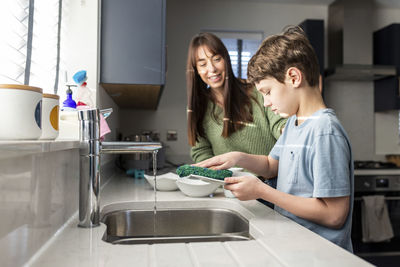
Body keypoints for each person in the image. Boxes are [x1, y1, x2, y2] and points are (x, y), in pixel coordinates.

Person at [194, 26, 354, 252]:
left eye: (268, 92)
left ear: (293, 77)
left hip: (320, 254)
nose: (266, 102)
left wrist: (262, 191)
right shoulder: (294, 123)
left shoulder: (324, 131)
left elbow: (334, 215)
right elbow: (271, 166)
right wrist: (237, 157)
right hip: (295, 246)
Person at [186, 32, 286, 167]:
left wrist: (287, 129)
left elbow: (279, 124)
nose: (212, 69)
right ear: (196, 70)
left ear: (226, 60)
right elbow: (200, 150)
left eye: (216, 59)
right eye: (203, 64)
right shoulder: (199, 107)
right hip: (227, 184)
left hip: (269, 179)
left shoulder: (257, 91)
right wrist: (216, 172)